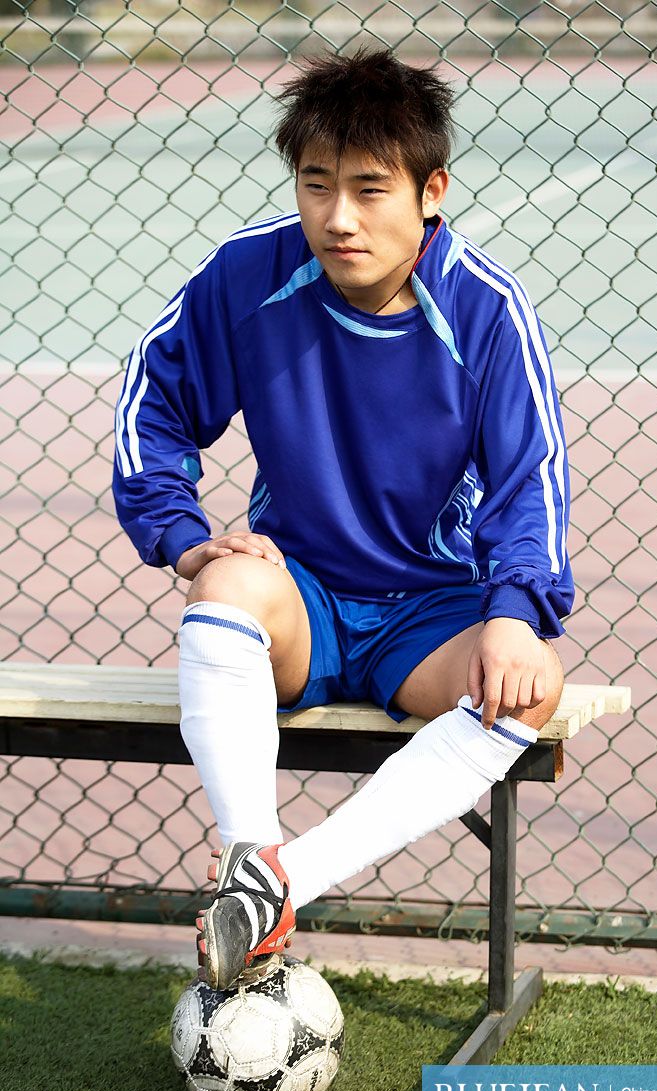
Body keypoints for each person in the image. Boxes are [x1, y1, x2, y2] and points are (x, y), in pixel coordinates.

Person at [113, 48, 573, 990]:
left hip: (428, 610)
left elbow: (529, 479)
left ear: (430, 192)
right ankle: (250, 855)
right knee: (224, 581)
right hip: (303, 600)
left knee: (529, 689)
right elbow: (152, 404)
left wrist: (513, 611)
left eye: (369, 189)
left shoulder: (486, 311)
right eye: (316, 185)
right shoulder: (248, 274)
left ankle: (281, 889)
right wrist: (183, 538)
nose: (337, 217)